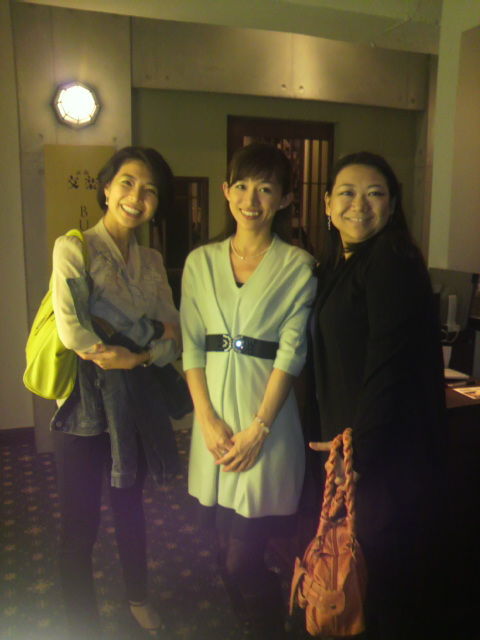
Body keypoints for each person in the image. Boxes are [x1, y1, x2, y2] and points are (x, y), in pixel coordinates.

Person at [180, 143, 317, 639]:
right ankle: (252, 620)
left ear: (284, 199)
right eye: (241, 186)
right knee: (223, 551)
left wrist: (259, 428)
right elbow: (191, 346)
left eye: (265, 188)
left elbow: (291, 354)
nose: (251, 199)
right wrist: (206, 420)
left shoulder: (299, 265)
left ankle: (269, 624)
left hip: (268, 427)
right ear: (225, 191)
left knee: (242, 557)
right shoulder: (200, 262)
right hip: (213, 426)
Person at [308, 151, 446, 640]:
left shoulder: (389, 258)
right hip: (355, 447)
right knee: (360, 574)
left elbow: (387, 362)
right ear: (327, 204)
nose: (359, 205)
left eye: (375, 194)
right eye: (347, 193)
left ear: (392, 204)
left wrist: (358, 453)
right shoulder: (341, 265)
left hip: (382, 454)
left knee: (378, 580)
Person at [51, 146, 181, 639]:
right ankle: (79, 625)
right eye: (127, 182)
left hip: (134, 406)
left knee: (131, 511)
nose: (136, 196)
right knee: (79, 525)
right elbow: (74, 333)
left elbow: (175, 338)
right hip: (84, 411)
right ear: (106, 188)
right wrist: (146, 338)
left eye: (149, 190)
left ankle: (138, 600)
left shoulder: (152, 260)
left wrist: (136, 354)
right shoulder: (74, 248)